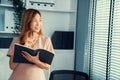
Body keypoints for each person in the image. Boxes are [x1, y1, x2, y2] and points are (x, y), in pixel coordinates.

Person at [7, 8, 55, 80]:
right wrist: (22, 49)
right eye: (35, 21)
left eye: (40, 20)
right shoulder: (16, 40)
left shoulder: (46, 40)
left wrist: (35, 61)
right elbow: (12, 66)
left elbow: (47, 66)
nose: (38, 24)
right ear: (27, 22)